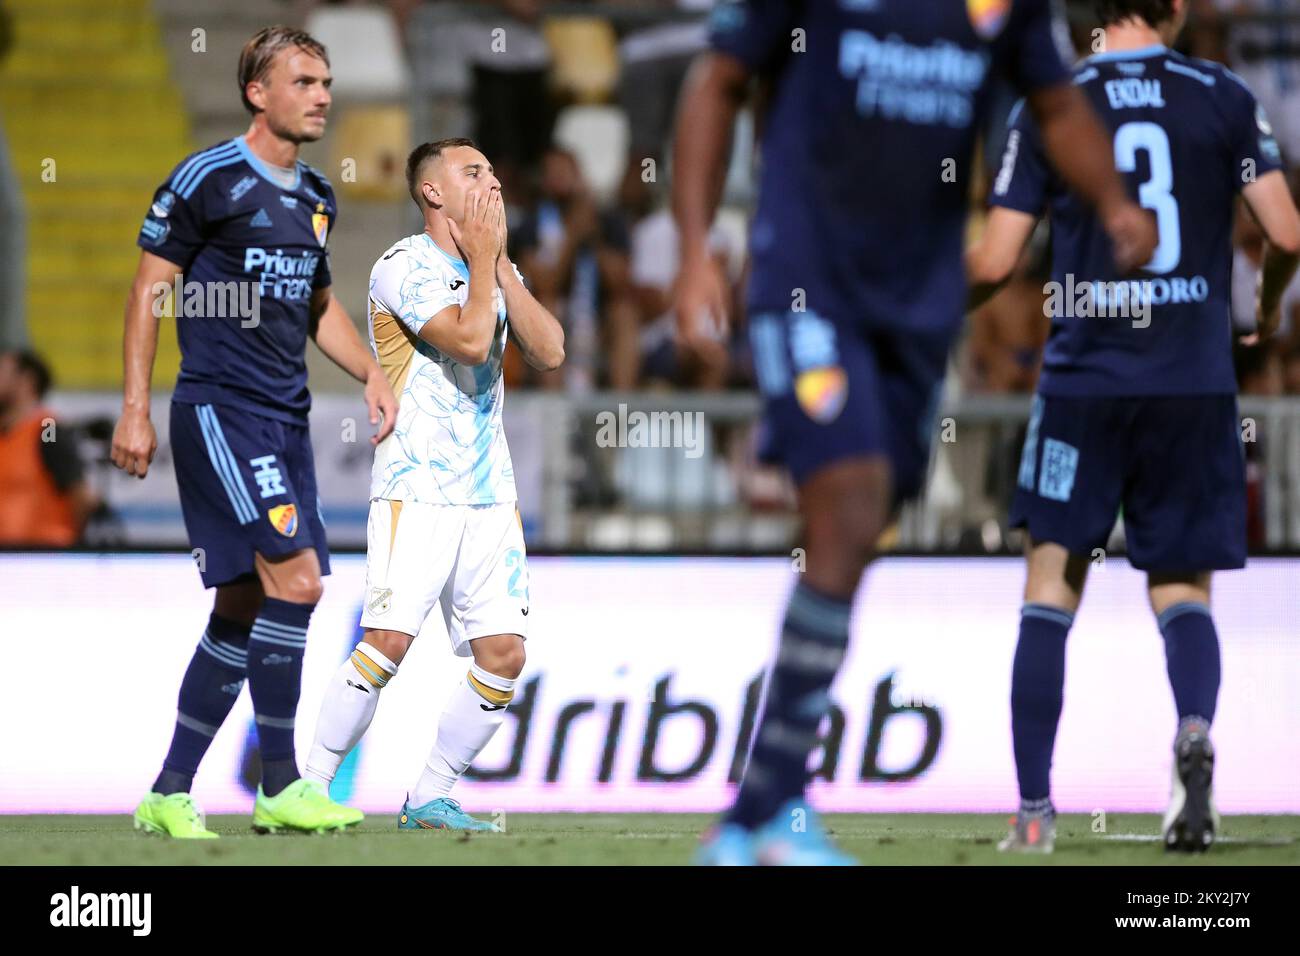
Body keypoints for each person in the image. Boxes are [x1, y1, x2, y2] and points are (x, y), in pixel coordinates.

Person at [674, 0, 1157, 865]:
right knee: (852, 506)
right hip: (807, 281)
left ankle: (765, 807)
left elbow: (1055, 103)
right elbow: (716, 80)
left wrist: (1115, 201)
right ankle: (757, 820)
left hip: (922, 307)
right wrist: (693, 249)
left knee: (859, 527)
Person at [968, 0, 1300, 852]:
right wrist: (1258, 305)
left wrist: (914, 313)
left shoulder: (1052, 98)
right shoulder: (1220, 93)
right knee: (1182, 591)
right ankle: (1192, 734)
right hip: (1191, 383)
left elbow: (996, 261)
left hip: (1083, 385)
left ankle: (1035, 816)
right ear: (1176, 8)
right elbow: (1288, 232)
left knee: (1050, 590)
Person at [110, 26, 398, 838]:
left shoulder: (315, 196)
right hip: (220, 409)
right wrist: (135, 407)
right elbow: (147, 292)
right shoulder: (209, 177)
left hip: (284, 416)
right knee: (299, 580)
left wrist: (372, 371)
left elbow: (315, 304)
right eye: (304, 80)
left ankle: (167, 792)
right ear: (257, 92)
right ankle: (280, 785)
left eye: (327, 81)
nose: (323, 95)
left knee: (243, 603)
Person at [303, 139, 564, 831]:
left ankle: (429, 796)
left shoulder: (494, 267)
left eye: (494, 169)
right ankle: (308, 787)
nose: (494, 180)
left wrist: (500, 265)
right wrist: (485, 264)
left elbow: (551, 348)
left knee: (504, 655)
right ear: (433, 195)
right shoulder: (402, 267)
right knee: (387, 642)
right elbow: (472, 342)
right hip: (416, 487)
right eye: (474, 172)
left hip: (489, 493)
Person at [0, 350, 99, 546]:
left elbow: (83, 497)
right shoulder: (6, 434)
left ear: (27, 381)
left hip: (44, 559)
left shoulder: (48, 429)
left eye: (2, 371)